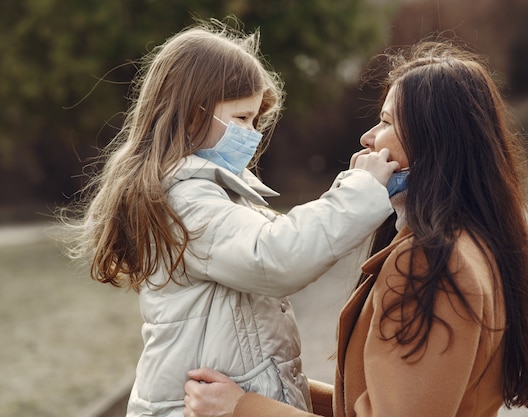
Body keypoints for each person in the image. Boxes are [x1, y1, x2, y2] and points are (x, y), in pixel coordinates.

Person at [182, 39, 528, 417]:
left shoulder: (431, 262)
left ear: (434, 138)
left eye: (385, 121)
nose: (367, 138)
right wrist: (269, 390)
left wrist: (243, 407)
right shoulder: (473, 243)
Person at [60, 20, 400, 417]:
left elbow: (279, 234)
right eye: (241, 118)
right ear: (190, 116)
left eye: (256, 120)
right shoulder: (183, 197)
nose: (252, 134)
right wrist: (360, 190)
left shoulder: (214, 192)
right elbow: (275, 255)